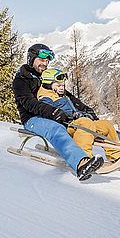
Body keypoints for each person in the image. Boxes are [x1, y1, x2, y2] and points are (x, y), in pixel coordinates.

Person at [12, 44, 104, 181]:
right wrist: (54, 112)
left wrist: (86, 110)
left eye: (47, 61)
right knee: (56, 130)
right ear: (31, 59)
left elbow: (68, 97)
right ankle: (81, 164)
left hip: (53, 115)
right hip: (33, 119)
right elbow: (29, 104)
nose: (45, 64)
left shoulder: (47, 77)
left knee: (97, 125)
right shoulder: (21, 80)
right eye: (41, 60)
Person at [38, 68, 120, 163]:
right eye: (58, 85)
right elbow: (50, 113)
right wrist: (70, 115)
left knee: (105, 124)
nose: (62, 88)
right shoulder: (45, 99)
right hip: (67, 126)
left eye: (63, 85)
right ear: (48, 84)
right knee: (85, 123)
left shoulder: (60, 95)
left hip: (77, 124)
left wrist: (84, 114)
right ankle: (83, 158)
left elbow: (73, 109)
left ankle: (115, 156)